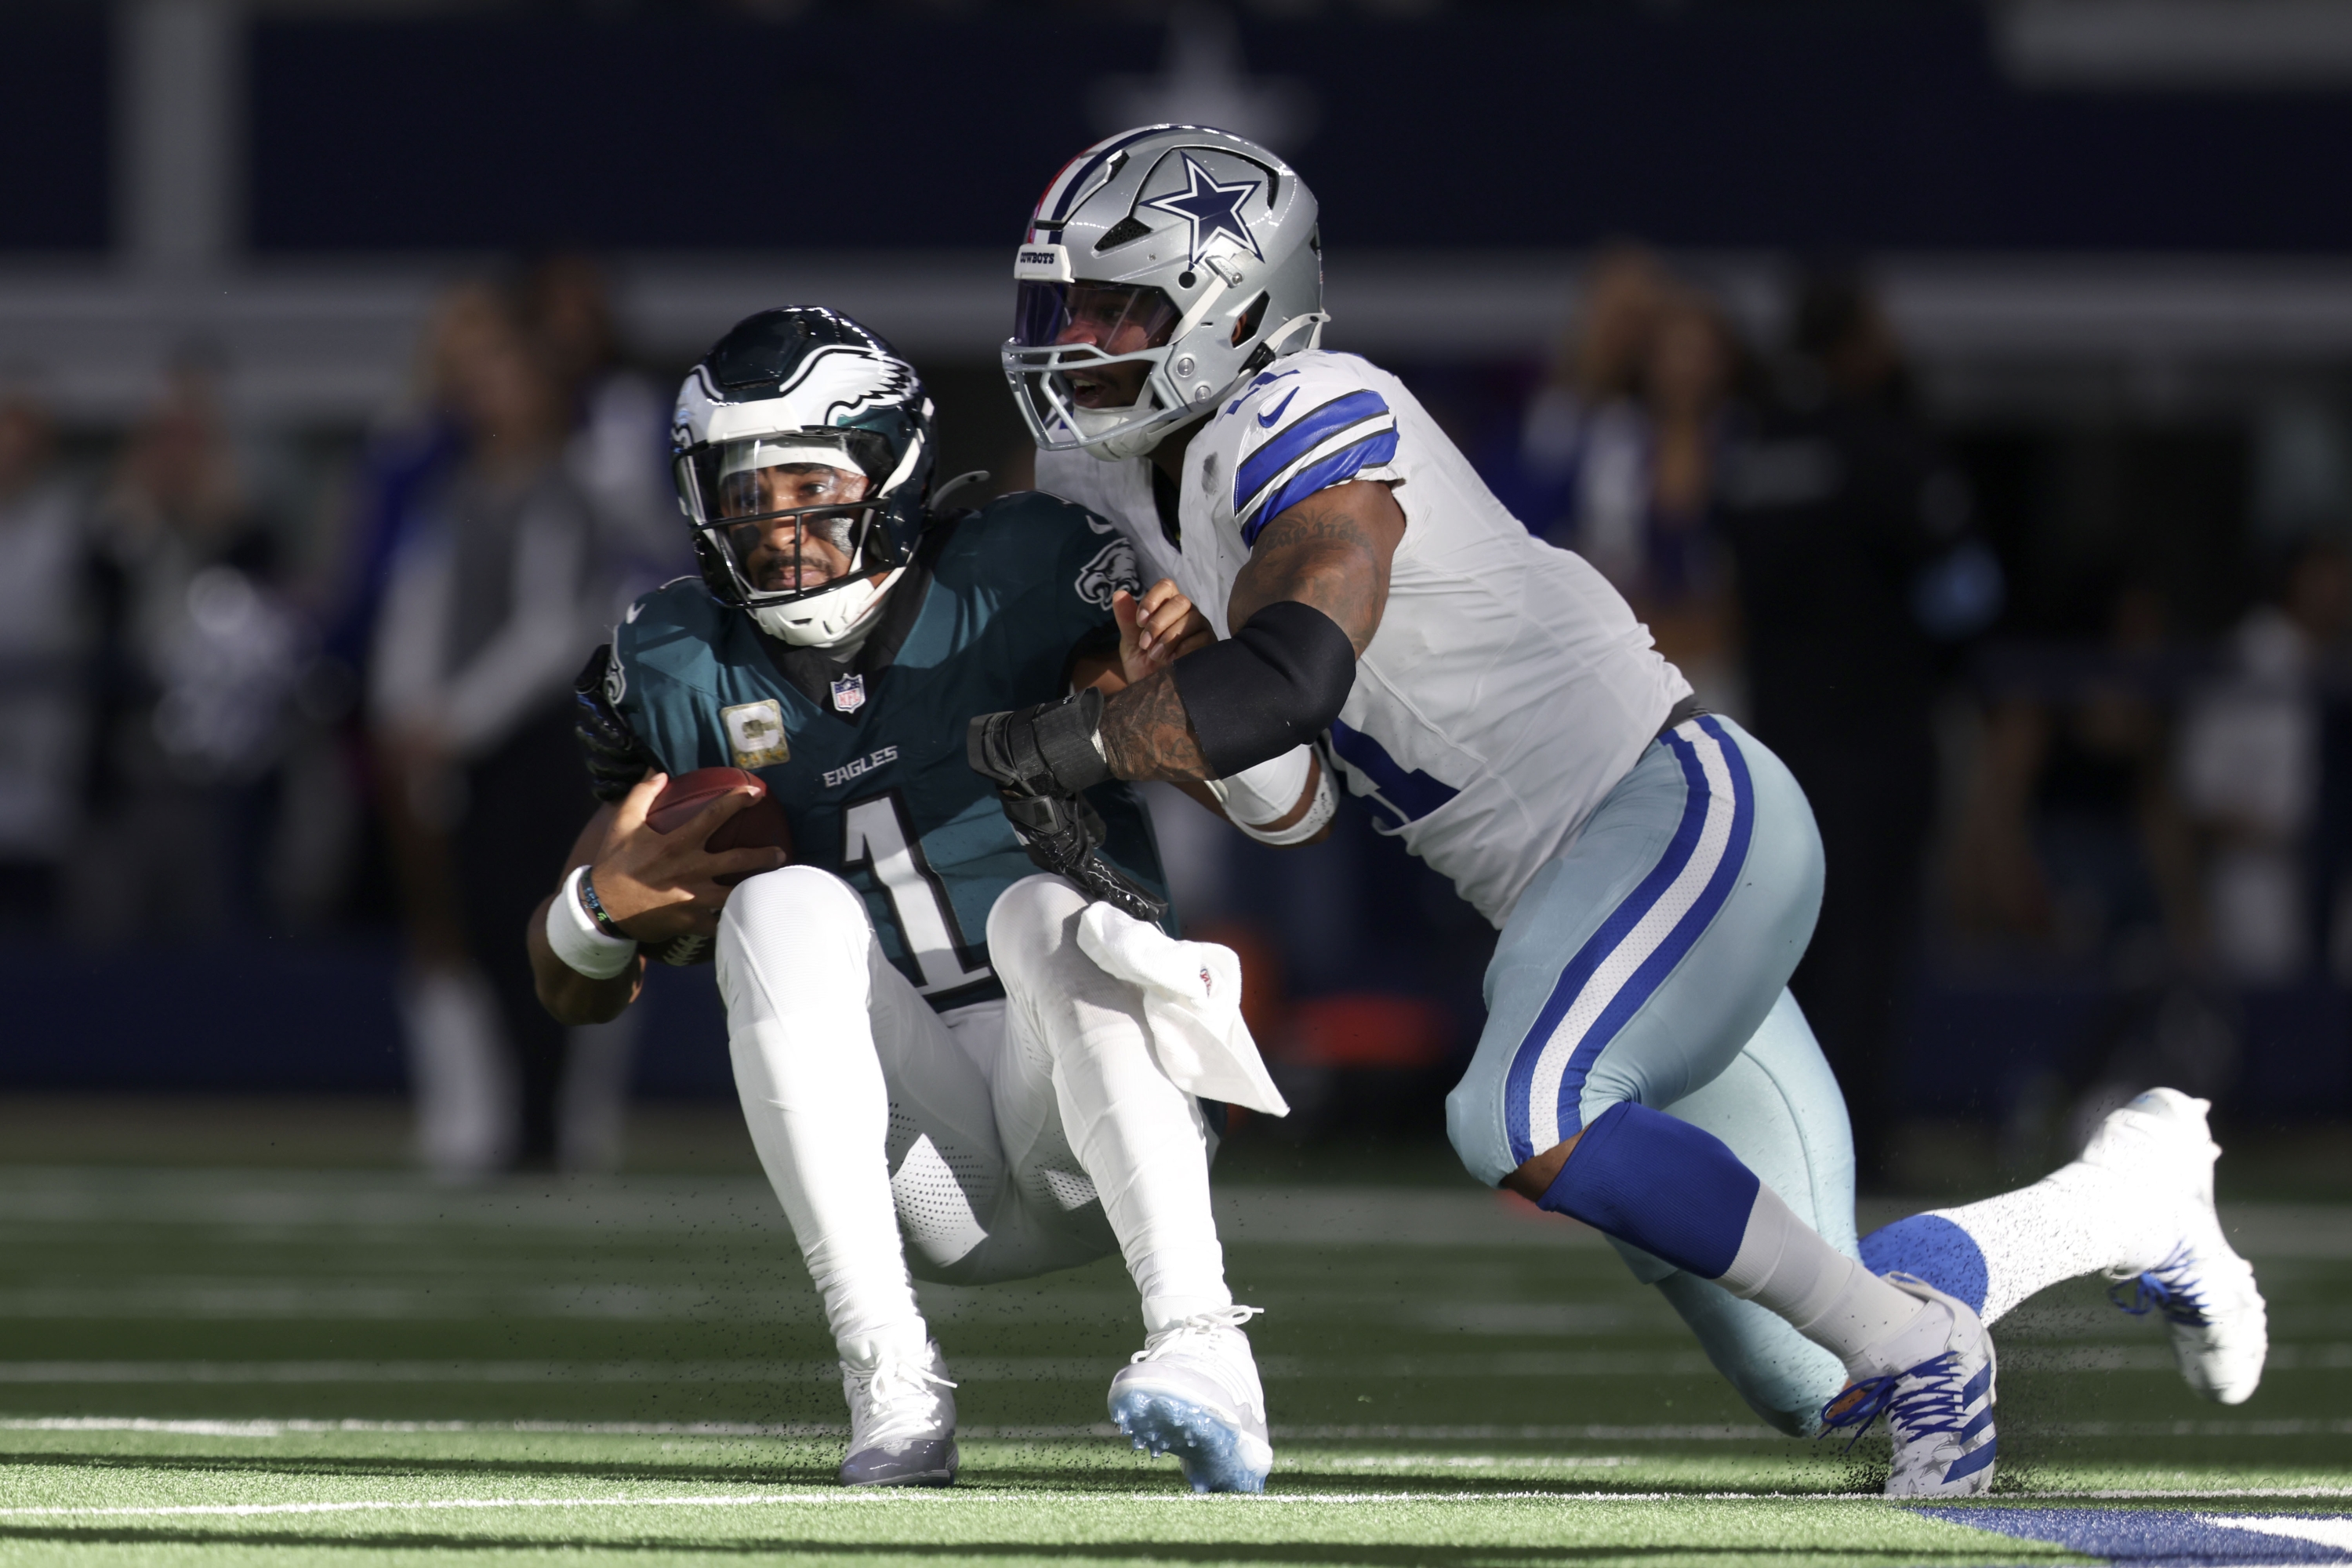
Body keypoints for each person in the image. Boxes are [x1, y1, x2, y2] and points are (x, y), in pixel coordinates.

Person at [978, 125, 2268, 1497]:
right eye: (1069, 305)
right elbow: (1289, 803)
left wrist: (1087, 738)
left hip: (1675, 816)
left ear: (1232, 303)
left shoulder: (1300, 409)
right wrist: (1156, 695)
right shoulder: (1119, 482)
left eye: (1119, 305)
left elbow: (1294, 670)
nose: (1079, 338)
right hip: (1571, 911)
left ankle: (1929, 1354)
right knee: (1811, 1374)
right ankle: (2129, 1194)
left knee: (1519, 1111)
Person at [529, 307, 1287, 1493]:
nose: (777, 525)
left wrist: (1159, 692)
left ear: (889, 472)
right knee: (780, 911)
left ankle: (1204, 1345)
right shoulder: (678, 658)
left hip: (1103, 1115)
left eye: (808, 484)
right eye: (744, 492)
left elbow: (1230, 766)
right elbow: (567, 984)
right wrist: (597, 907)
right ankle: (890, 1378)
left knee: (1043, 915)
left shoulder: (1021, 571)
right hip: (930, 1169)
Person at [1715, 270, 2001, 1181]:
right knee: (1871, 947)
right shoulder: (1888, 449)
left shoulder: (1754, 451)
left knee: (1783, 953)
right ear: (1856, 346)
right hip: (1878, 739)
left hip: (1780, 743)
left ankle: (1772, 1139)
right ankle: (1860, 1140)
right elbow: (1967, 597)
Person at [371, 293, 608, 1174]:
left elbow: (551, 632)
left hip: (541, 742)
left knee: (550, 925)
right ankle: (488, 1113)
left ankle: (553, 1123)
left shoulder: (566, 491)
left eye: (506, 377)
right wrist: (406, 711)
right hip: (459, 744)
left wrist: (454, 718)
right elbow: (419, 607)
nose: (488, 397)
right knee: (470, 928)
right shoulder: (453, 492)